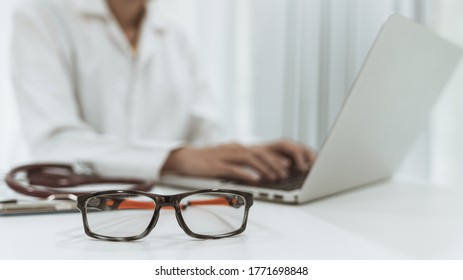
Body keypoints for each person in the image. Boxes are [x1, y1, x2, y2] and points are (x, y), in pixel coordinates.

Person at [11, 0, 316, 184]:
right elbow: (54, 143)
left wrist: (254, 154)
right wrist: (174, 159)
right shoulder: (41, 17)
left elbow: (206, 139)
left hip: (169, 214)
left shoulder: (175, 36)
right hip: (74, 217)